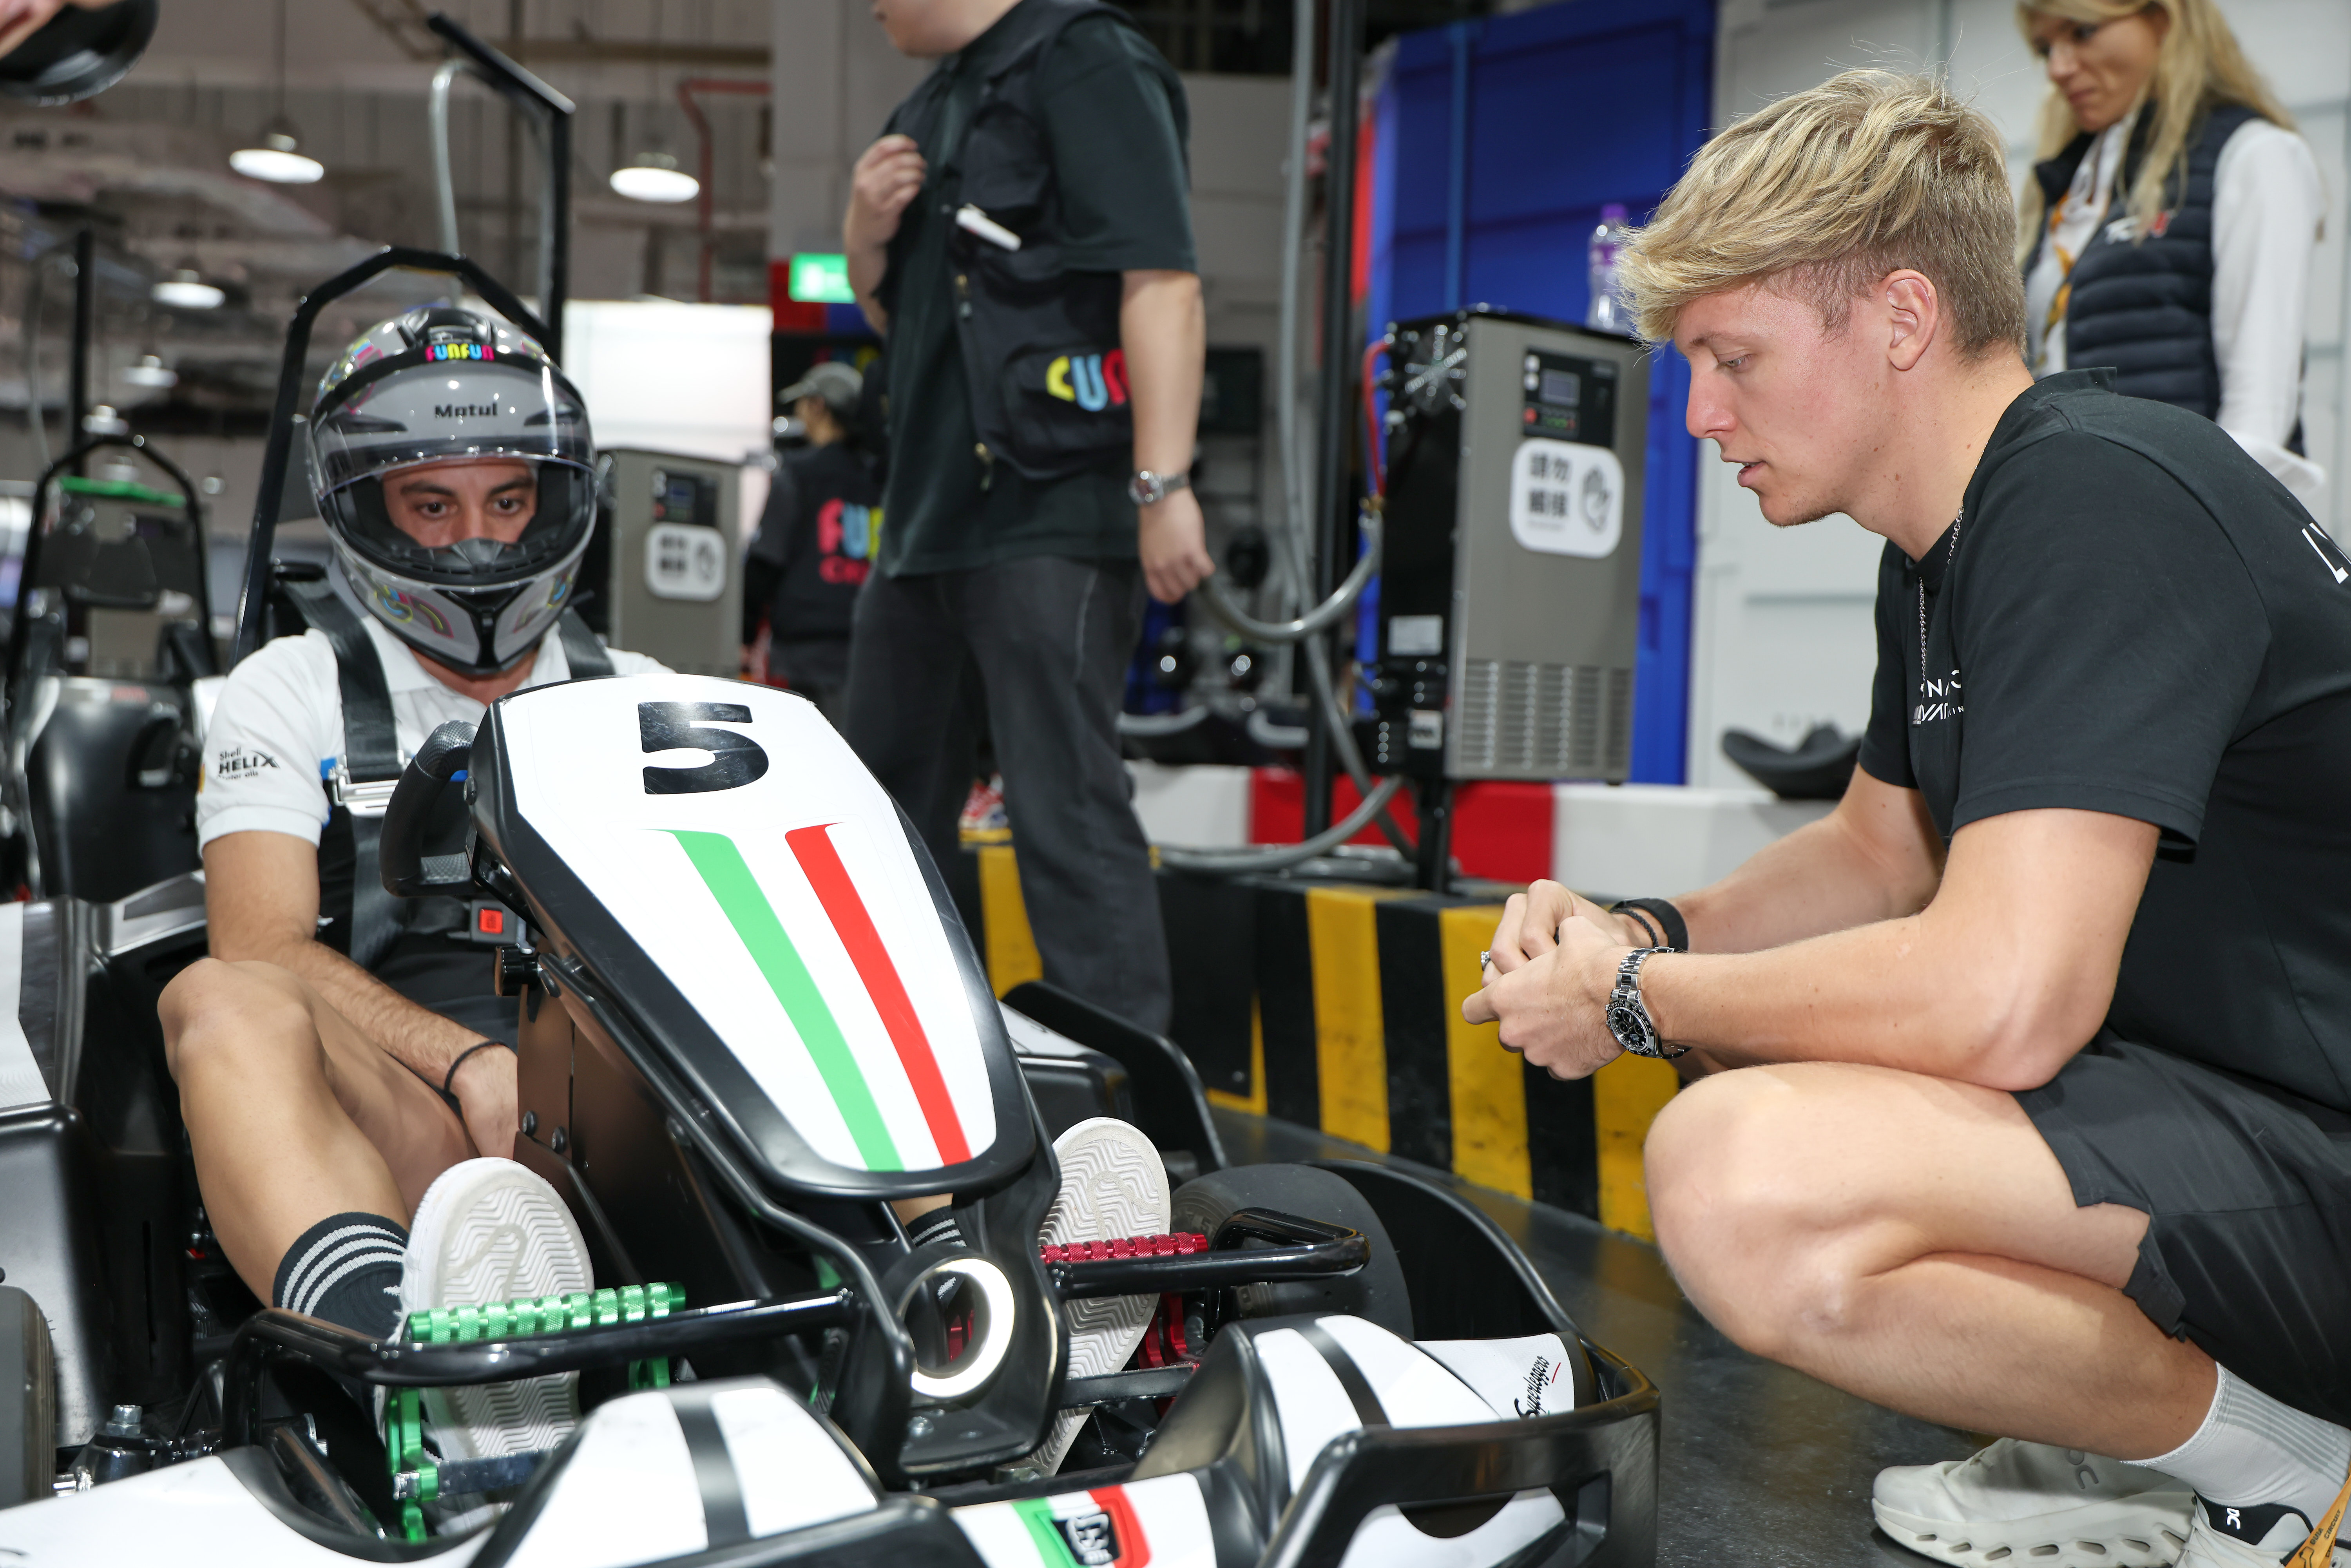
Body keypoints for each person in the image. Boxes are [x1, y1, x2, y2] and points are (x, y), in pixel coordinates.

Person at [1467, 71, 2351, 1568]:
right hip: (2235, 1112)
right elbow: (1876, 857)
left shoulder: (2094, 499)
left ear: (1898, 317)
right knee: (1751, 1040)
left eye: (1733, 357)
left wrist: (1629, 994)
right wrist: (1644, 928)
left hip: (2313, 1140)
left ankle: (2290, 1471)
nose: (1700, 413)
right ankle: (2121, 1429)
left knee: (1738, 1174)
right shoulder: (1946, 546)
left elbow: (2005, 1000)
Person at [158, 306, 667, 1465]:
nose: (476, 543)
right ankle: (423, 1377)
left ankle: (968, 1292)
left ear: (557, 500)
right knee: (217, 997)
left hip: (631, 1108)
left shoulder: (643, 693)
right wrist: (474, 1064)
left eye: (507, 501)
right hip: (415, 1117)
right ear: (368, 510)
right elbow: (257, 943)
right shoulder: (291, 688)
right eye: (432, 506)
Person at [838, 0, 1214, 1036]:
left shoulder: (1085, 59)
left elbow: (1163, 281)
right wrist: (862, 236)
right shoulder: (932, 104)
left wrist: (1162, 484)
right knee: (877, 824)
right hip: (924, 530)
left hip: (1050, 512)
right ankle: (899, 1075)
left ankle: (1126, 1107)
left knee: (1065, 819)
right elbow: (899, 318)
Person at [2018, 0, 2324, 512]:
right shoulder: (2068, 187)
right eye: (2046, 48)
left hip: (2178, 532)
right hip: (2079, 519)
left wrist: (2184, 537)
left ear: (2164, 18)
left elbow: (2259, 419)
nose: (2058, 68)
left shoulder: (2253, 155)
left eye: (2082, 32)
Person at [741, 360, 880, 722]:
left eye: (803, 403)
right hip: (870, 647)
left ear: (818, 406)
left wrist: (744, 630)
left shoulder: (800, 473)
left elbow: (767, 557)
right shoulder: (879, 478)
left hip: (805, 648)